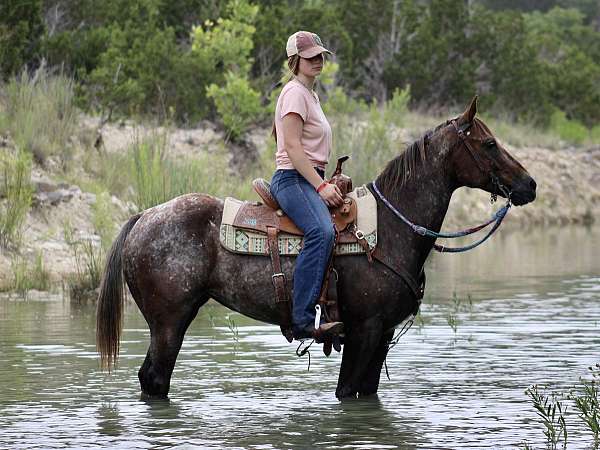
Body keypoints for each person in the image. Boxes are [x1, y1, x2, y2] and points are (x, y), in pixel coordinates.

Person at [269, 31, 345, 340]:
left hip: (308, 176)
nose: (318, 60)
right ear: (294, 61)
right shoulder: (295, 93)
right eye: (310, 56)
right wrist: (321, 187)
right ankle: (301, 320)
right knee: (321, 231)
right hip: (293, 178)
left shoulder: (309, 94)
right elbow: (292, 148)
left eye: (320, 55)